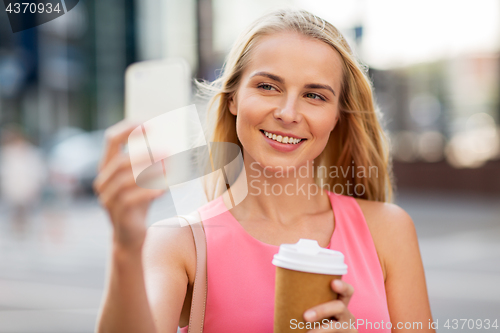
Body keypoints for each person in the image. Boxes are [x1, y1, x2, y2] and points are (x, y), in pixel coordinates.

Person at [93, 9, 435, 333]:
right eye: (267, 86)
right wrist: (125, 245)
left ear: (336, 117)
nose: (288, 113)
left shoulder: (389, 231)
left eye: (314, 95)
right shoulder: (179, 243)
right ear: (233, 98)